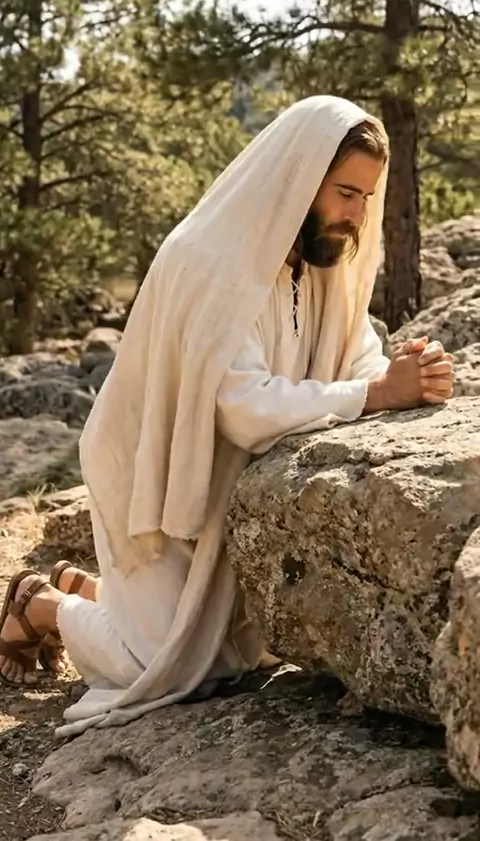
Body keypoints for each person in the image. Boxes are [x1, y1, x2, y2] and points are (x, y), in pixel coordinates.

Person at [0, 96, 454, 735]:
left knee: (245, 654)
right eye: (346, 193)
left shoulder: (323, 257)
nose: (357, 214)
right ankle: (41, 603)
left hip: (227, 483)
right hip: (155, 475)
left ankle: (93, 592)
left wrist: (410, 373)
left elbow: (359, 359)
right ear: (300, 179)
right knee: (176, 671)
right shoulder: (212, 260)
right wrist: (377, 394)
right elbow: (243, 407)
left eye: (367, 198)